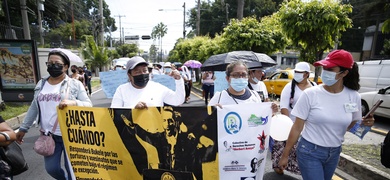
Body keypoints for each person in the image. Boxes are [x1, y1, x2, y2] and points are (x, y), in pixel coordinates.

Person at [278, 50, 376, 180]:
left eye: (330, 69)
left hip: (334, 153)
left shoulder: (354, 96)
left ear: (344, 73)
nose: (325, 71)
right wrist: (285, 155)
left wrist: (366, 124)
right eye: (324, 68)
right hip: (309, 151)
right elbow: (297, 127)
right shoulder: (310, 94)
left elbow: (350, 126)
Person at [15, 50, 92, 180]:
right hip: (48, 135)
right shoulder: (41, 84)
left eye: (57, 63)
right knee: (52, 169)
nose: (53, 66)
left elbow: (88, 105)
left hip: (71, 135)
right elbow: (34, 107)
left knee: (73, 171)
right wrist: (23, 128)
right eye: (50, 63)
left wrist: (73, 102)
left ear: (66, 66)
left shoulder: (74, 84)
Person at [117, 106, 209, 180]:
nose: (167, 124)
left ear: (176, 122)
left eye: (170, 121)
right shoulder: (159, 138)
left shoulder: (187, 140)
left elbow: (195, 164)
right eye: (164, 121)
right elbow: (146, 135)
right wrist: (133, 127)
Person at [272, 62, 316, 175]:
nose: (296, 74)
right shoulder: (289, 87)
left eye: (299, 73)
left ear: (306, 74)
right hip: (290, 123)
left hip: (307, 126)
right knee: (283, 146)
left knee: (299, 150)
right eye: (296, 72)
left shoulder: (314, 87)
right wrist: (288, 125)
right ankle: (279, 164)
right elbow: (284, 106)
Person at [111, 56, 185, 108]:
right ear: (129, 75)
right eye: (137, 72)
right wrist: (133, 109)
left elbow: (177, 101)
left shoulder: (158, 88)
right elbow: (115, 112)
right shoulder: (122, 90)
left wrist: (179, 80)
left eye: (144, 70)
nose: (142, 74)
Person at [208, 60, 278, 111]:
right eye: (236, 75)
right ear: (227, 78)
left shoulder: (255, 96)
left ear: (248, 77)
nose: (240, 78)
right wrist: (213, 112)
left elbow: (261, 119)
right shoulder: (219, 97)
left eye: (243, 75)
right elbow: (205, 122)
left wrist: (271, 111)